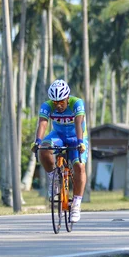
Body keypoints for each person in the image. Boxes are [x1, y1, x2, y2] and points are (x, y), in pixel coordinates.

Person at [31, 80, 88, 223]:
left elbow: (78, 122)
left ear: (67, 97)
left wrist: (80, 142)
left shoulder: (77, 103)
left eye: (61, 101)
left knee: (79, 167)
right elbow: (43, 123)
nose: (58, 105)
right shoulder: (47, 105)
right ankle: (54, 178)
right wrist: (37, 141)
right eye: (55, 102)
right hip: (58, 136)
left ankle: (76, 204)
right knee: (43, 149)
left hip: (77, 136)